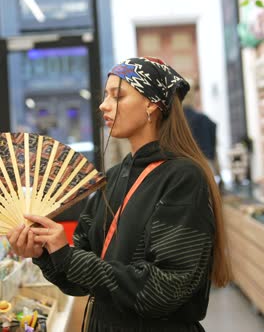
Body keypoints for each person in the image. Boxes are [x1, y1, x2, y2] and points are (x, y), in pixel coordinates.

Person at [7, 57, 231, 332]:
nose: (103, 105)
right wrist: (45, 253)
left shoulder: (183, 178)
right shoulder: (112, 177)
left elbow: (165, 289)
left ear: (152, 104)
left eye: (118, 95)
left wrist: (68, 257)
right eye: (105, 95)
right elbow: (79, 281)